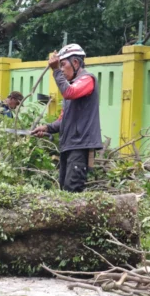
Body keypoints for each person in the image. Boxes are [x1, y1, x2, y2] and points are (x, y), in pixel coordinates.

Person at [32, 44, 101, 192]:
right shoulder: (72, 87)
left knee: (72, 192)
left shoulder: (87, 79)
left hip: (80, 146)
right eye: (60, 66)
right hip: (69, 145)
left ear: (75, 63)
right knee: (64, 190)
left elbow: (69, 92)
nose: (61, 69)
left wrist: (55, 70)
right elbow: (63, 120)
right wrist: (47, 128)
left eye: (63, 65)